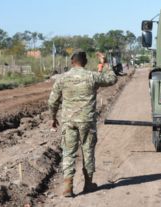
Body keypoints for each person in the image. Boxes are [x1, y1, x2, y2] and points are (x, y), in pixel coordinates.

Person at [48, 51, 117, 197]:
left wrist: (53, 118)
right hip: (87, 122)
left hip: (69, 122)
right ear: (85, 62)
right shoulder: (92, 76)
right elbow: (112, 79)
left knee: (68, 152)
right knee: (88, 151)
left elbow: (52, 101)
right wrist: (105, 63)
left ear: (72, 62)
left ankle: (68, 186)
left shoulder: (62, 78)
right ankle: (88, 184)